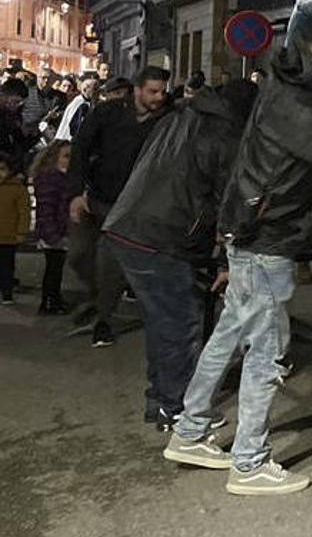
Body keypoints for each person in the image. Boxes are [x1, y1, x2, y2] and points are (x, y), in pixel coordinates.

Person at [163, 22, 312, 496]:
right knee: (268, 351)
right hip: (267, 239)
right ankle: (250, 462)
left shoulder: (291, 93)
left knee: (230, 334)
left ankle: (191, 429)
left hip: (254, 231)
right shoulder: (295, 104)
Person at [103, 80, 259, 430]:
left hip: (131, 223)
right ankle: (175, 407)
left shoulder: (182, 117)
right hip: (161, 234)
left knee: (164, 322)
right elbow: (228, 200)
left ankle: (161, 399)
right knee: (178, 324)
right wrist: (225, 259)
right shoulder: (224, 134)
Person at [67, 66, 171, 347]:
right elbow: (81, 148)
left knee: (111, 265)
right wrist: (76, 193)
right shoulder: (108, 113)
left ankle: (103, 319)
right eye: (152, 91)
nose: (159, 97)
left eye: (162, 91)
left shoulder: (167, 120)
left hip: (130, 206)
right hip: (94, 195)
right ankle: (95, 297)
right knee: (78, 254)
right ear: (137, 89)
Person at [31, 140, 73, 314]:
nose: (69, 160)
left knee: (55, 267)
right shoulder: (51, 179)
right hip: (53, 231)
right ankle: (49, 301)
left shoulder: (59, 178)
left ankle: (52, 299)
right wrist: (52, 234)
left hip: (58, 230)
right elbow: (47, 209)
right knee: (53, 268)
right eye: (66, 156)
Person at [0, 156, 30, 305]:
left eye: (2, 169)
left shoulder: (17, 189)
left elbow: (24, 212)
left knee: (7, 266)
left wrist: (22, 232)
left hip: (8, 236)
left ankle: (7, 293)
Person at [54, 74, 98, 141]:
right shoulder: (80, 104)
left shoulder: (91, 102)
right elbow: (75, 126)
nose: (96, 92)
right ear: (85, 89)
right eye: (94, 89)